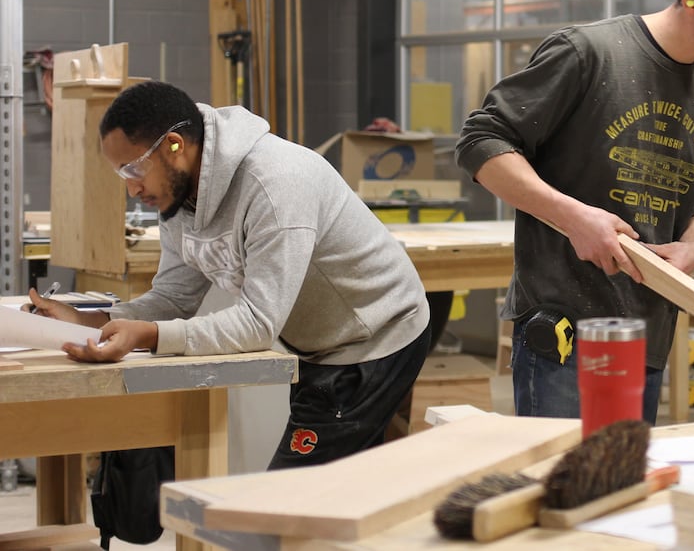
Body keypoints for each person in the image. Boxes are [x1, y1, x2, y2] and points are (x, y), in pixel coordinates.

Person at [456, 0, 694, 424]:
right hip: (563, 332)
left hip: (647, 334)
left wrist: (691, 251)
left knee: (622, 488)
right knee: (562, 487)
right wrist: (573, 218)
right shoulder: (588, 52)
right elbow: (481, 143)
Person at [27, 80, 432, 469]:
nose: (132, 190)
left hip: (375, 337)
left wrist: (150, 336)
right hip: (319, 342)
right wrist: (90, 322)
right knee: (339, 493)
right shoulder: (179, 196)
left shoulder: (275, 184)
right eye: (122, 175)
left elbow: (257, 323)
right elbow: (172, 298)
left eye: (134, 170)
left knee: (292, 507)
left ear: (174, 145)